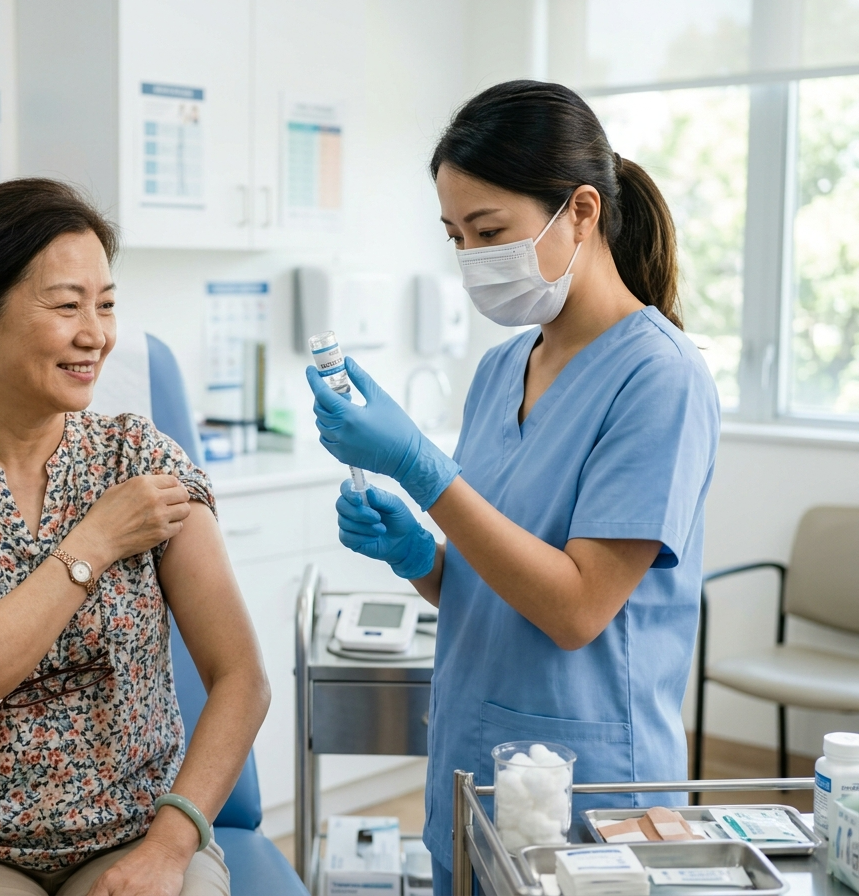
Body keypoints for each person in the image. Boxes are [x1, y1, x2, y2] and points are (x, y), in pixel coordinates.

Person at [305, 81, 720, 894]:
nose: (469, 258)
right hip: (471, 762)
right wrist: (423, 556)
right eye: (454, 236)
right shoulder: (503, 370)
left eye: (489, 231)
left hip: (591, 789)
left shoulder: (659, 379)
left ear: (582, 212)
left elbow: (574, 609)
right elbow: (499, 584)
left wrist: (423, 468)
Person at [0, 177, 269, 896]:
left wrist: (169, 848)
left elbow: (242, 679)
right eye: (67, 305)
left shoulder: (139, 460)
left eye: (105, 305)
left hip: (135, 833)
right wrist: (92, 545)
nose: (95, 334)